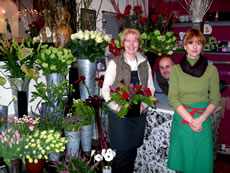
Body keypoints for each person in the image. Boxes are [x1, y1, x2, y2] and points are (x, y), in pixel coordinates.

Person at [102, 28, 155, 173]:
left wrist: (143, 105)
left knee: (132, 152)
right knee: (122, 155)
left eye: (135, 40)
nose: (131, 44)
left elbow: (150, 88)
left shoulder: (145, 63)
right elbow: (105, 90)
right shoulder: (115, 63)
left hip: (138, 115)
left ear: (139, 43)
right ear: (123, 43)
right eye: (128, 40)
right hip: (120, 116)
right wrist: (117, 108)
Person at [167, 28, 220, 173]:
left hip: (203, 121)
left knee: (201, 164)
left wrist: (200, 119)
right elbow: (173, 98)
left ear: (202, 46)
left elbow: (215, 99)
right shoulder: (176, 70)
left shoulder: (211, 70)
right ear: (185, 46)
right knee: (182, 164)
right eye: (190, 43)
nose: (195, 47)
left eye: (198, 43)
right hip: (183, 121)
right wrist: (192, 121)